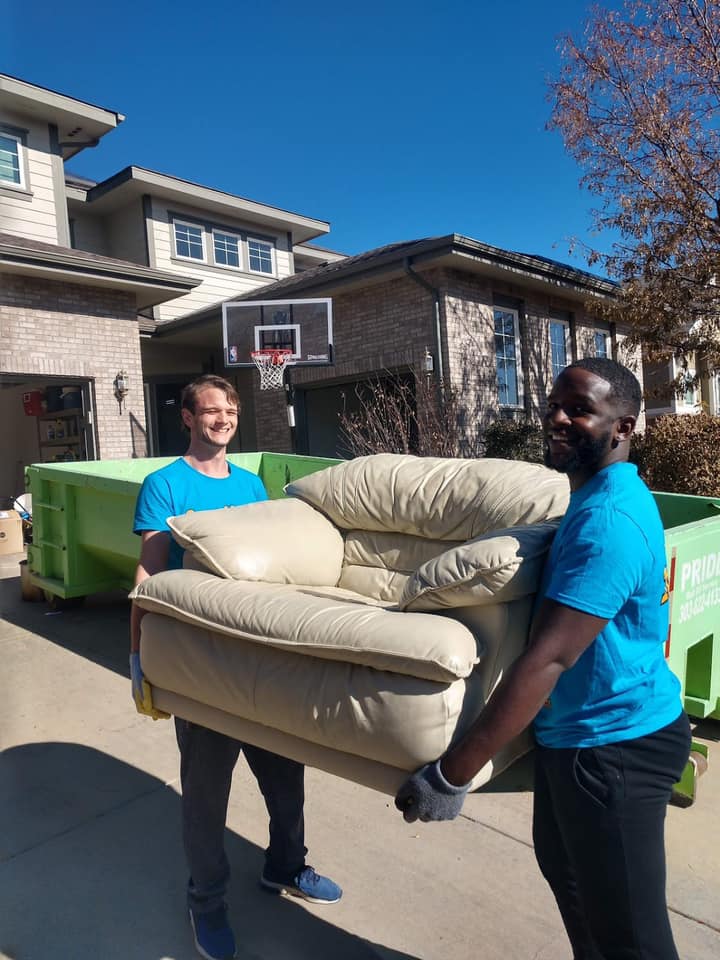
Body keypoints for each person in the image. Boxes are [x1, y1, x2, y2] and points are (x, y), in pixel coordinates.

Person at [395, 358, 690, 960]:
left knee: (632, 938)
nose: (557, 417)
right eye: (555, 403)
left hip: (615, 749)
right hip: (579, 741)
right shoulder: (595, 497)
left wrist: (450, 776)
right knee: (574, 885)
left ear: (624, 427)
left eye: (580, 409)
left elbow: (549, 658)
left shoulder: (606, 521)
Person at [130, 374, 341, 960]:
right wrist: (137, 652)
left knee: (285, 775)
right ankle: (206, 901)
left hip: (258, 657)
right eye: (210, 410)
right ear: (187, 416)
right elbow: (149, 574)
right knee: (205, 793)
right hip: (199, 662)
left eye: (229, 410)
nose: (221, 418)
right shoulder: (164, 485)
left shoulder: (252, 487)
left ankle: (286, 867)